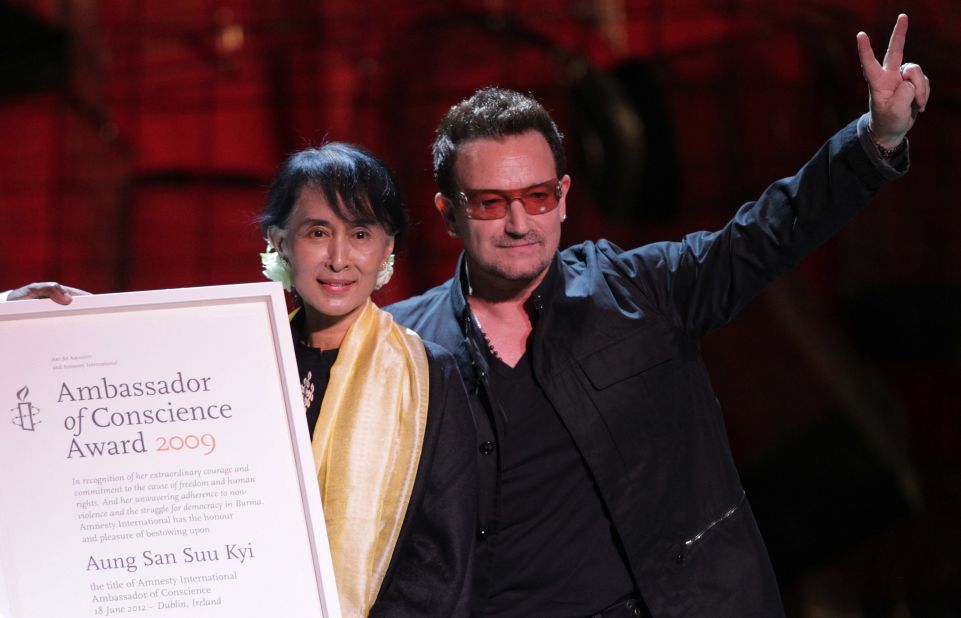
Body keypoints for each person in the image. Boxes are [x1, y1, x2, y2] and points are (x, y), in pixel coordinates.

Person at [384, 14, 930, 617]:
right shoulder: (399, 349)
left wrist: (876, 139)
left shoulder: (639, 291)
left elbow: (770, 231)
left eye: (537, 197)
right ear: (447, 213)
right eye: (492, 203)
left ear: (563, 198)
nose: (519, 223)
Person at [5, 143, 476, 618]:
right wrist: (52, 324)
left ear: (387, 245)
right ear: (279, 241)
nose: (339, 258)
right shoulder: (235, 360)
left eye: (360, 233)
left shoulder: (426, 375)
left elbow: (440, 559)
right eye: (317, 232)